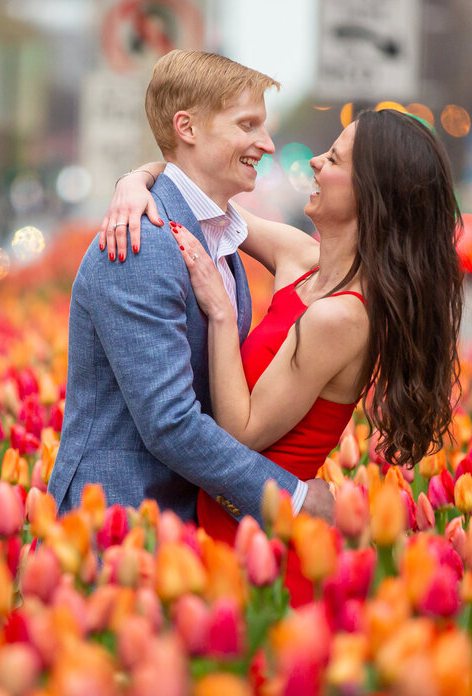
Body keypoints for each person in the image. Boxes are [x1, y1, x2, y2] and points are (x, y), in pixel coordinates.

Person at [102, 107, 465, 604]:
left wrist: (221, 312)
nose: (315, 162)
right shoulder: (302, 258)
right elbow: (196, 198)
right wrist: (133, 182)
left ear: (370, 194)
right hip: (224, 521)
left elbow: (240, 431)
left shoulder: (341, 318)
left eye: (334, 159)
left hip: (262, 544)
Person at [47, 50, 336, 528]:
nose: (265, 142)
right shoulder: (143, 241)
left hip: (176, 526)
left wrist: (142, 174)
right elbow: (171, 424)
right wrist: (297, 501)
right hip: (115, 528)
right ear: (187, 128)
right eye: (247, 125)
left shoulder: (217, 234)